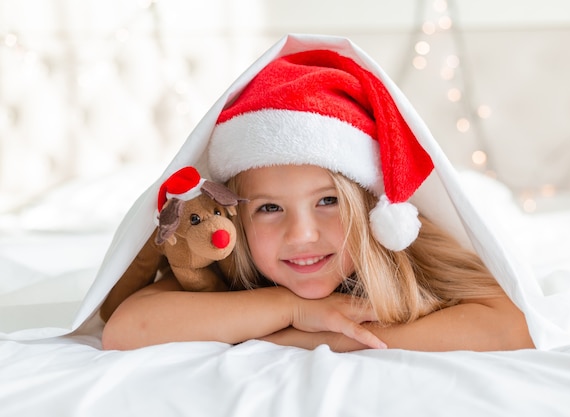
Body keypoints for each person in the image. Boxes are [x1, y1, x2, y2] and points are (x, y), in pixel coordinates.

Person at [101, 48, 534, 352]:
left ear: (367, 206)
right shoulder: (238, 261)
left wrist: (324, 338)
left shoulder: (403, 249)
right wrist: (290, 307)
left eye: (328, 201)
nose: (302, 234)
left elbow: (513, 325)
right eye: (269, 208)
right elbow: (126, 328)